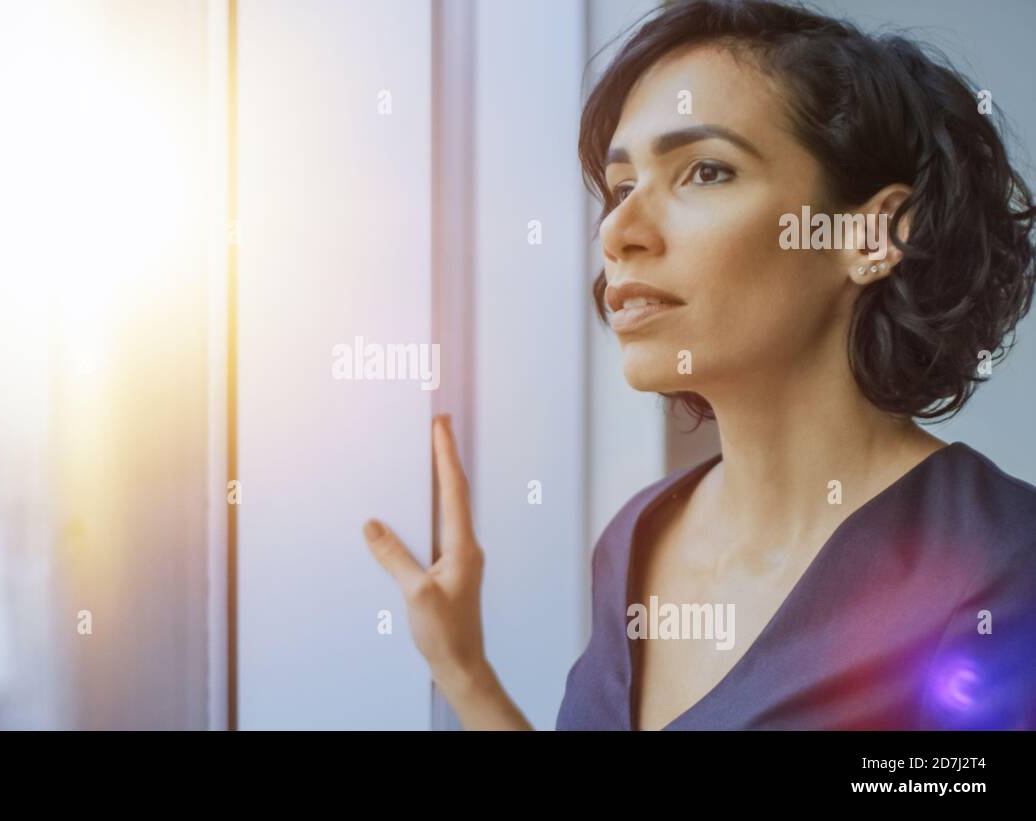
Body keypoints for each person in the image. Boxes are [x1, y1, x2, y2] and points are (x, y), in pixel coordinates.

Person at [363, 0, 1036, 730]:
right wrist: (464, 670)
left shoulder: (1004, 565)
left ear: (872, 237)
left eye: (705, 171)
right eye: (621, 189)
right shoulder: (637, 536)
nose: (618, 231)